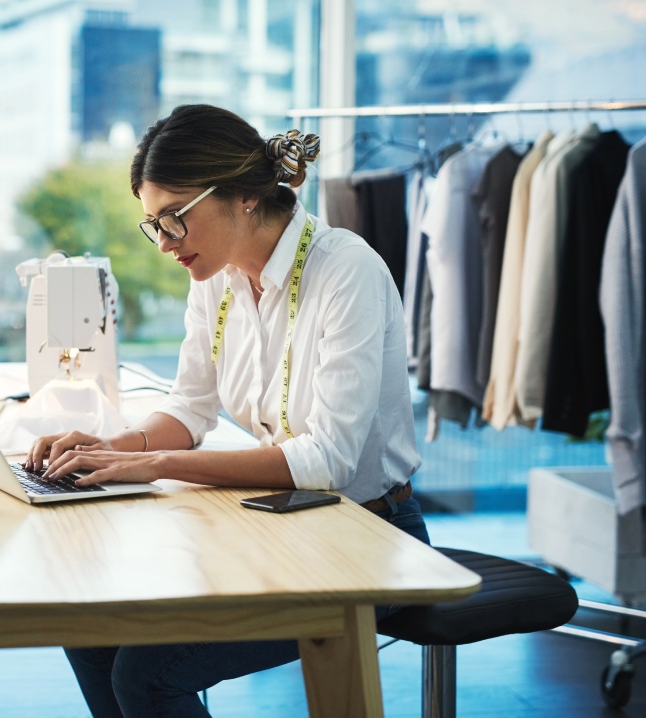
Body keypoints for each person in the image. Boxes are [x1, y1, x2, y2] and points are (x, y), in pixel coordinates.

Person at [23, 103, 428, 718]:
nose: (163, 244)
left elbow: (328, 460)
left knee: (149, 675)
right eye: (152, 225)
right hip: (279, 525)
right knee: (89, 620)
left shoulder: (346, 271)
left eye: (174, 220)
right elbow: (189, 407)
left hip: (368, 535)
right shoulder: (214, 276)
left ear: (241, 196)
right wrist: (115, 447)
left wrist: (157, 464)